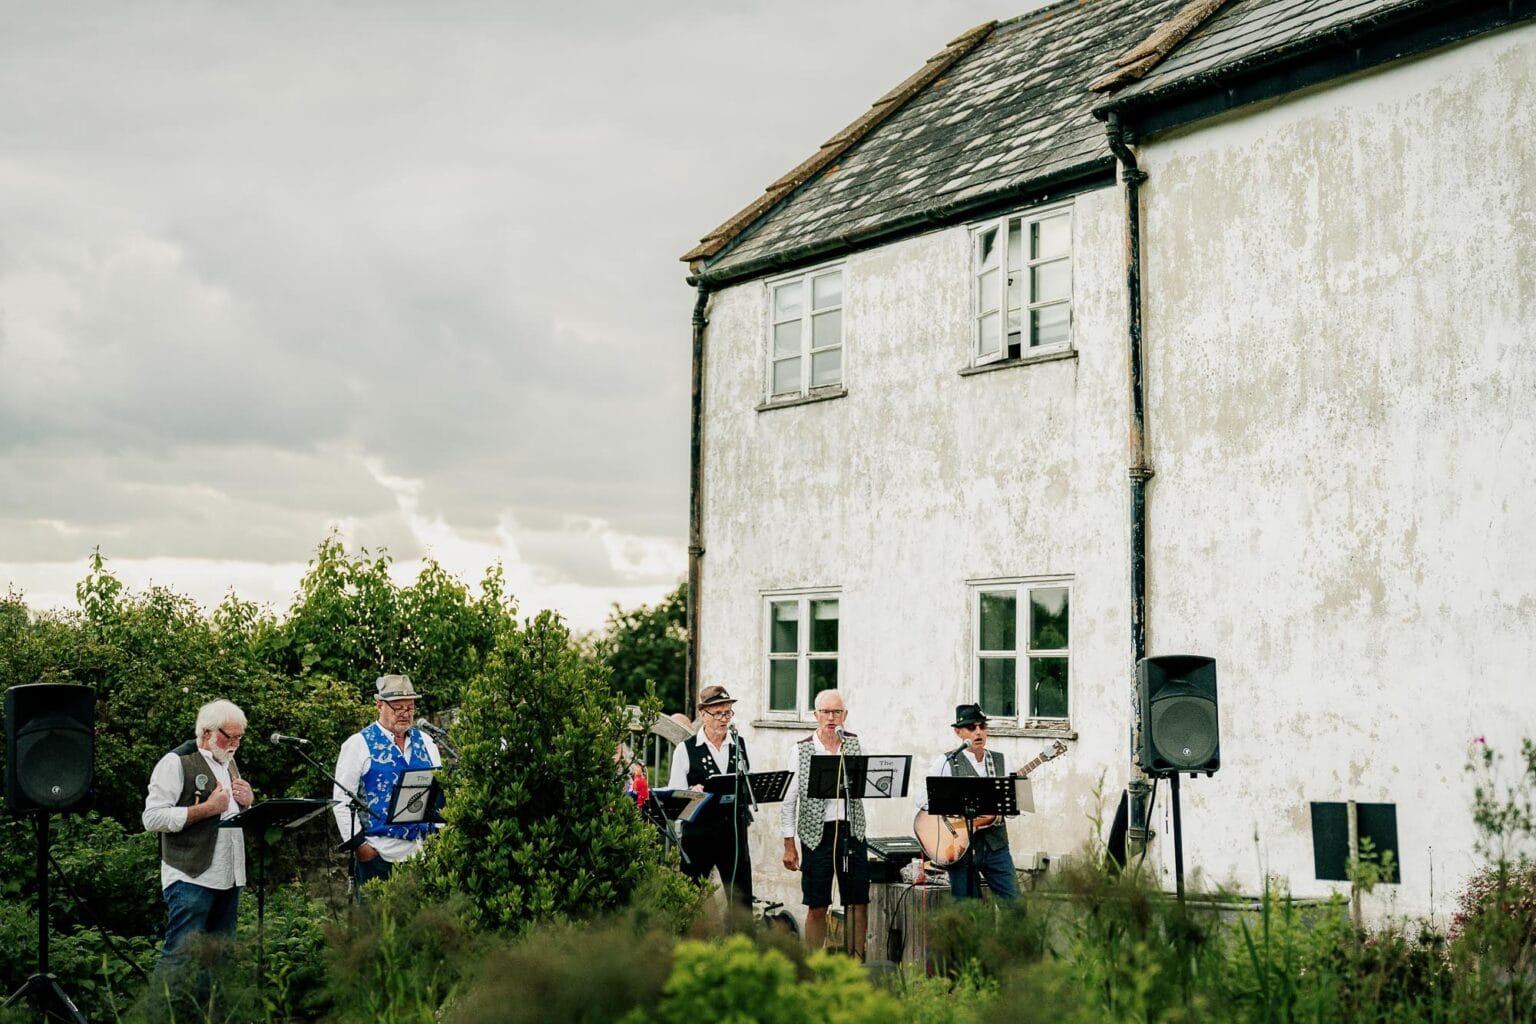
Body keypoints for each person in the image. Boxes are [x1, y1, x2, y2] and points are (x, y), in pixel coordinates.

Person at [142, 699, 255, 960]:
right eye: (231, 737)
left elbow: (231, 812)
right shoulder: (176, 762)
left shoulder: (227, 761)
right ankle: (162, 1003)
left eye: (240, 737)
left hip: (228, 876)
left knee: (218, 957)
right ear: (207, 733)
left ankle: (210, 1003)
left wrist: (248, 802)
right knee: (180, 956)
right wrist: (207, 808)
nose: (236, 744)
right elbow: (152, 818)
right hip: (190, 876)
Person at [332, 674, 442, 889]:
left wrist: (438, 840)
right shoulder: (358, 744)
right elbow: (341, 800)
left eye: (409, 708)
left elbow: (438, 792)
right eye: (397, 708)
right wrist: (360, 847)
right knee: (378, 921)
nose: (404, 714)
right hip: (380, 855)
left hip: (423, 855)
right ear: (379, 705)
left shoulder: (427, 742)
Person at [781, 689, 868, 958]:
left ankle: (857, 961)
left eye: (837, 712)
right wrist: (789, 844)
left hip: (851, 831)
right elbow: (789, 800)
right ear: (815, 715)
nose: (831, 718)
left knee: (857, 902)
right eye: (826, 712)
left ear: (845, 715)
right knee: (817, 903)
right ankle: (813, 964)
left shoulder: (855, 744)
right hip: (816, 834)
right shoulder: (802, 749)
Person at [913, 704, 1018, 900]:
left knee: (1015, 906)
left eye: (982, 727)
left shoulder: (1002, 761)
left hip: (996, 846)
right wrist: (953, 811)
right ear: (958, 732)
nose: (978, 732)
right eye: (971, 727)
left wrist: (1005, 803)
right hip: (959, 847)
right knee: (968, 909)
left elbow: (1011, 812)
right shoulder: (946, 762)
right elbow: (920, 798)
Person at [665, 685, 753, 910]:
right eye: (718, 713)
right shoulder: (686, 750)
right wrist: (691, 794)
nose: (724, 719)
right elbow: (675, 799)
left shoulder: (738, 745)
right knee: (691, 898)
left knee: (740, 900)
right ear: (703, 714)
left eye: (728, 713)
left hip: (733, 834)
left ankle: (741, 944)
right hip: (699, 836)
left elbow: (747, 785)